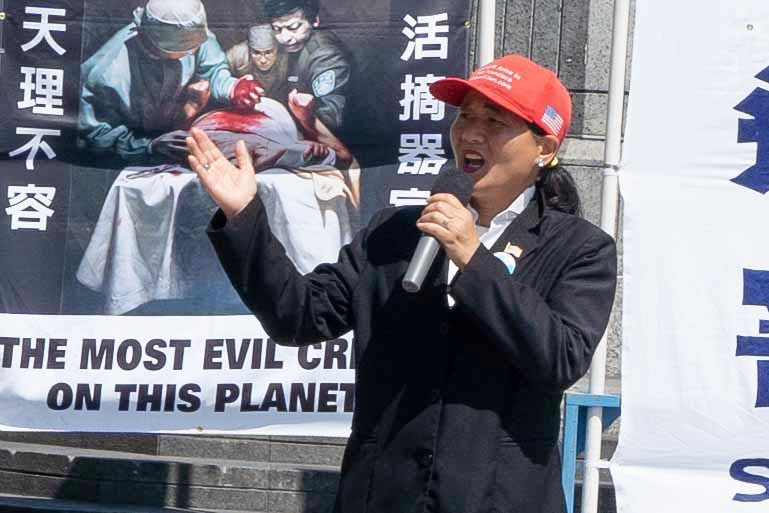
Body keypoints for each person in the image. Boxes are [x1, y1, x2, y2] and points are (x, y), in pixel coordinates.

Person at [186, 54, 617, 513]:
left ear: (544, 149)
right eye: (465, 117)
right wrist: (243, 216)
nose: (471, 133)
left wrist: (472, 257)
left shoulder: (580, 248)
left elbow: (559, 358)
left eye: (495, 121)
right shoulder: (394, 232)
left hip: (499, 500)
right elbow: (298, 315)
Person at [79, 0, 263, 162]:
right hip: (125, 155)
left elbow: (212, 68)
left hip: (172, 130)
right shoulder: (107, 73)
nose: (194, 52)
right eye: (187, 50)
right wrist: (149, 147)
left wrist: (232, 87)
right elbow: (98, 137)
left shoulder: (191, 33)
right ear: (159, 45)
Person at [265, 0, 351, 131]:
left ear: (314, 21)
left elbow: (331, 119)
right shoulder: (292, 45)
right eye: (277, 29)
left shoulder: (326, 56)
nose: (284, 38)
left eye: (293, 27)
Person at [226, 24, 291, 101]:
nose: (263, 60)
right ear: (249, 49)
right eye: (256, 53)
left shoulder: (286, 56)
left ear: (277, 48)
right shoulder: (236, 55)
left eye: (268, 52)